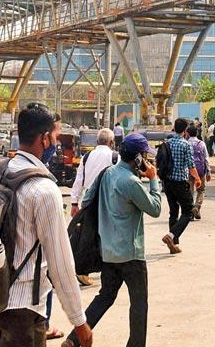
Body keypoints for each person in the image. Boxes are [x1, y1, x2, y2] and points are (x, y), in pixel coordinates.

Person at [0, 103, 91, 347]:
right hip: (22, 307)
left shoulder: (1, 171)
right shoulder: (44, 189)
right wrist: (79, 321)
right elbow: (60, 261)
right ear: (45, 139)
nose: (55, 143)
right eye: (55, 136)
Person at [58, 132, 160, 347]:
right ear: (138, 158)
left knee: (105, 296)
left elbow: (87, 200)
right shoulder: (131, 182)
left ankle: (74, 339)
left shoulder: (107, 173)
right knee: (139, 303)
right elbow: (155, 209)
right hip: (131, 253)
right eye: (145, 155)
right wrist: (153, 180)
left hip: (108, 251)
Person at [70, 128, 116, 287]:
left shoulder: (87, 157)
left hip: (88, 202)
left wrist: (74, 203)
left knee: (88, 237)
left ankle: (87, 270)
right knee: (104, 238)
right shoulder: (115, 157)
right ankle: (83, 270)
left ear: (97, 142)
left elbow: (79, 181)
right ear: (111, 142)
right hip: (107, 203)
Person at [159, 118, 201, 255]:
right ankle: (171, 236)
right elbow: (191, 165)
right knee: (188, 212)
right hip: (180, 183)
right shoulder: (185, 144)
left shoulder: (168, 143)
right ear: (185, 130)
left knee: (173, 212)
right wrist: (197, 178)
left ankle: (173, 245)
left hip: (168, 183)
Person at [186, 124, 210, 220]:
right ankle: (197, 208)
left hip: (189, 170)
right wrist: (208, 172)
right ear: (197, 133)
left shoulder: (186, 143)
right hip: (200, 170)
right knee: (201, 190)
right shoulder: (201, 143)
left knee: (190, 191)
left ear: (187, 133)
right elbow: (206, 158)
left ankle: (191, 213)